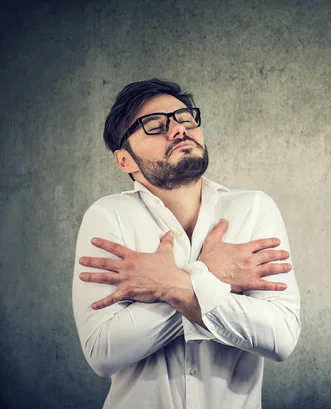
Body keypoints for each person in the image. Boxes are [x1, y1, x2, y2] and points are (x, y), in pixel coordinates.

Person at [72, 78, 301, 409]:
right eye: (154, 125)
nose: (178, 129)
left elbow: (279, 338)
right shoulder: (108, 217)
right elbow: (102, 352)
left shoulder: (254, 208)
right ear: (125, 161)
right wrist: (209, 274)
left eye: (185, 118)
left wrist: (170, 285)